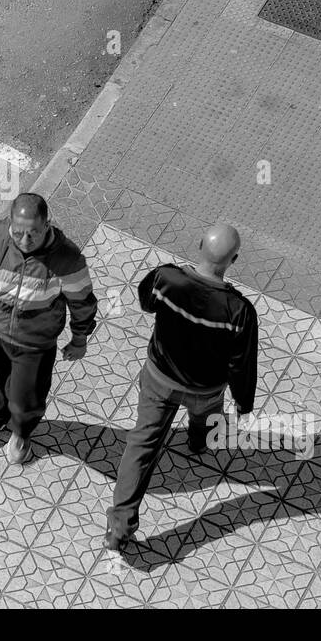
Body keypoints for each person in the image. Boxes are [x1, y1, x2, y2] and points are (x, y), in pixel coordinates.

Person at [104, 223, 258, 550]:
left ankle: (120, 528)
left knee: (142, 444)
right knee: (206, 417)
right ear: (234, 259)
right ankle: (199, 440)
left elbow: (146, 302)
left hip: (159, 380)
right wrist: (244, 404)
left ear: (200, 243)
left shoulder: (166, 279)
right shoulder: (240, 311)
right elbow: (240, 363)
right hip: (206, 390)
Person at [0, 193, 97, 465]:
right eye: (18, 234)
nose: (25, 241)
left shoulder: (67, 257)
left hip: (34, 345)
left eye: (33, 234)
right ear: (10, 224)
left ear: (47, 225)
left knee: (27, 397)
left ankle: (21, 434)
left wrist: (79, 337)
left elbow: (82, 302)